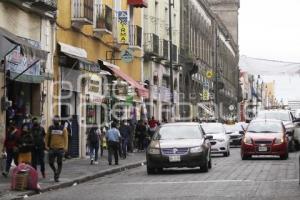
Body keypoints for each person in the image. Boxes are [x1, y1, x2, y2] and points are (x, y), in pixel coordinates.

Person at [45, 116, 68, 182]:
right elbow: (47, 137)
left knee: (59, 163)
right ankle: (55, 171)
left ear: (59, 121)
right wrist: (46, 145)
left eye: (57, 120)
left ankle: (57, 176)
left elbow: (66, 139)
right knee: (50, 162)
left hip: (60, 148)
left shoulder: (63, 128)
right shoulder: (50, 128)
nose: (55, 121)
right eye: (54, 120)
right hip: (52, 148)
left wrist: (65, 148)